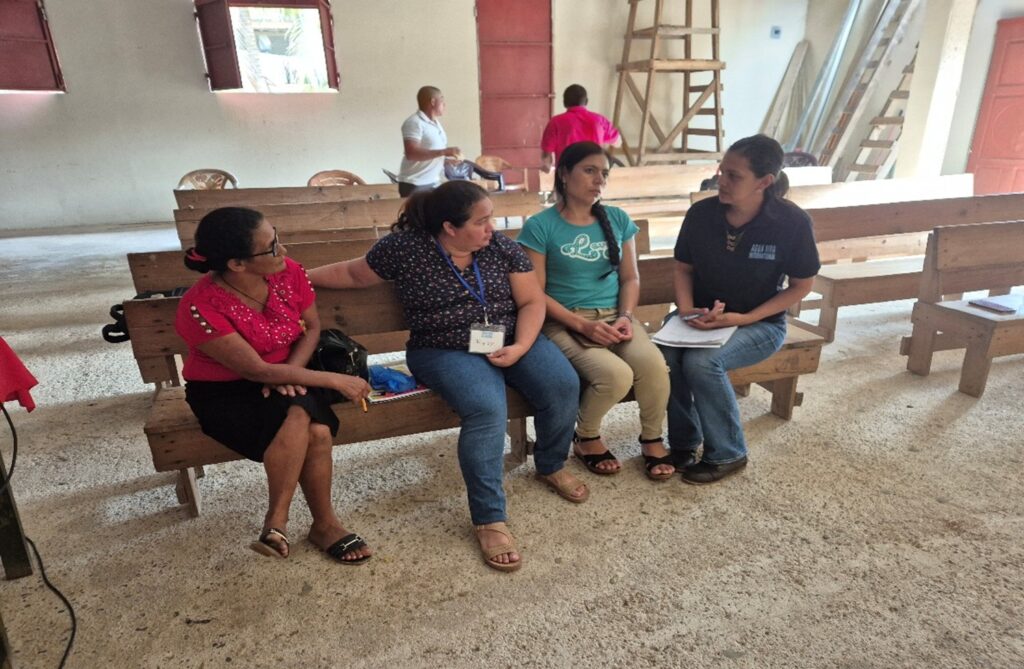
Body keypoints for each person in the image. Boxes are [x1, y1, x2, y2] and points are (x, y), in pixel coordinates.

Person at [308, 181, 587, 573]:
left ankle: (551, 463)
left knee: (562, 384)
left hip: (511, 337)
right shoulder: (404, 248)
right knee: (487, 410)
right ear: (449, 227)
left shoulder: (500, 248)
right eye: (481, 221)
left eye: (491, 218)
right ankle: (490, 518)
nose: (492, 227)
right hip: (443, 349)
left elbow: (530, 301)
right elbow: (354, 275)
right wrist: (297, 277)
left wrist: (522, 346)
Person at [176, 207, 374, 564]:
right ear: (236, 264)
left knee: (303, 415)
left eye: (277, 238)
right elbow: (256, 371)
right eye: (271, 247)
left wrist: (291, 373)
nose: (282, 251)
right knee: (307, 421)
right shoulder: (199, 307)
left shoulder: (289, 272)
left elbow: (312, 328)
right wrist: (333, 379)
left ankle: (278, 524)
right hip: (227, 392)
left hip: (289, 373)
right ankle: (321, 524)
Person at [659, 134, 820, 484]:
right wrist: (686, 310)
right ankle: (685, 444)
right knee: (666, 356)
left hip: (758, 323)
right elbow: (683, 268)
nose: (722, 181)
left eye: (734, 176)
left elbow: (801, 285)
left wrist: (745, 318)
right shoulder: (702, 214)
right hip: (698, 317)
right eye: (721, 171)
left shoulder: (791, 223)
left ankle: (728, 452)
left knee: (702, 362)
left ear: (765, 182)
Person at [517, 142, 673, 481]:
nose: (599, 180)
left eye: (604, 173)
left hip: (616, 317)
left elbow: (630, 277)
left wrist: (625, 317)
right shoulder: (541, 226)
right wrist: (582, 326)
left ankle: (651, 439)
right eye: (589, 171)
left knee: (655, 367)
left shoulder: (617, 218)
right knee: (615, 376)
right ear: (563, 174)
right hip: (563, 322)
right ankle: (586, 437)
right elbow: (535, 294)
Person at [397, 86, 462, 197]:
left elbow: (431, 151)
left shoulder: (435, 123)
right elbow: (411, 153)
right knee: (417, 214)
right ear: (432, 101)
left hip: (433, 181)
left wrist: (445, 160)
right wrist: (444, 152)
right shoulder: (414, 122)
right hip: (415, 184)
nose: (444, 104)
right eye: (442, 100)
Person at [540, 84, 621, 173]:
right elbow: (618, 143)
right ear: (586, 101)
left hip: (567, 174)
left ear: (564, 102)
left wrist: (547, 168)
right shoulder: (600, 120)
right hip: (595, 173)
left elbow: (546, 157)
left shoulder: (555, 122)